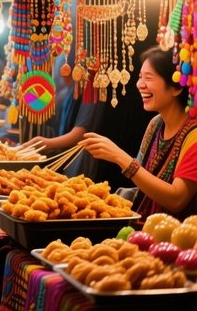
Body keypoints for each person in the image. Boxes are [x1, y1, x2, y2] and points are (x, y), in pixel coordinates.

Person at [81, 47, 197, 222]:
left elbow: (177, 199)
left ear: (176, 87)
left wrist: (119, 156)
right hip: (145, 228)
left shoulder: (193, 136)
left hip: (178, 235)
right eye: (140, 77)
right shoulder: (155, 124)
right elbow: (144, 185)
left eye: (148, 78)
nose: (140, 84)